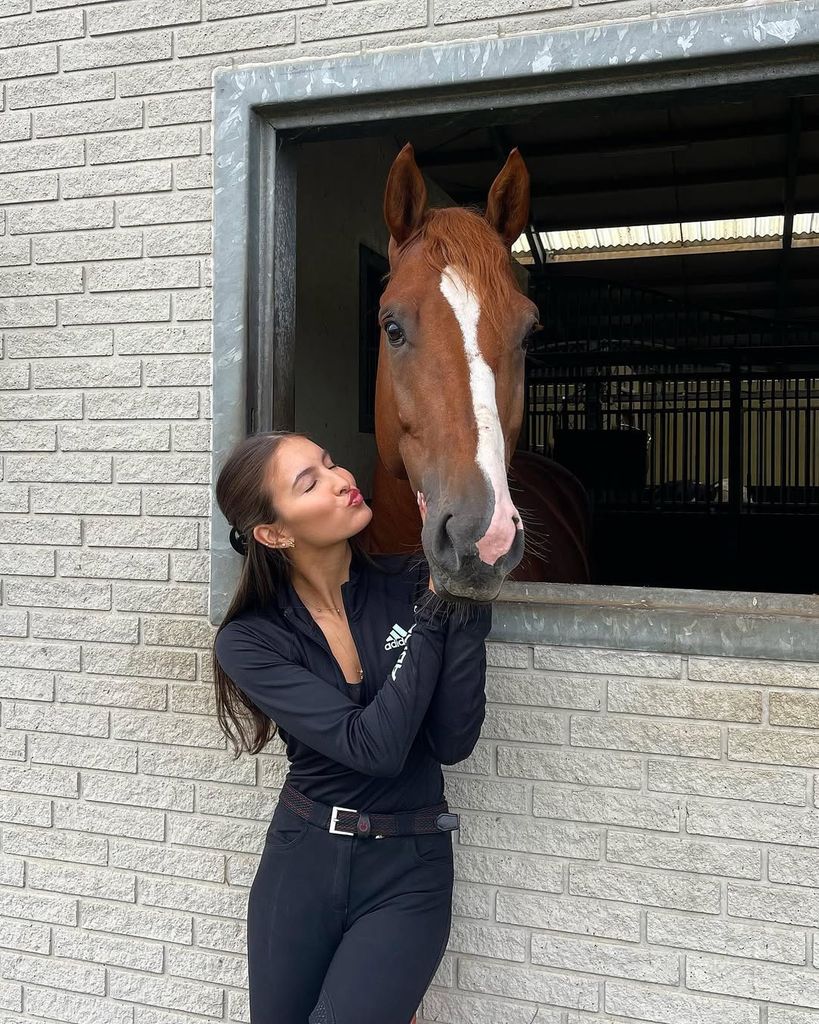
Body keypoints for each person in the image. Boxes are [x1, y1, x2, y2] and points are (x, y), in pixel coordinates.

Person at [212, 430, 493, 1024]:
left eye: (330, 461)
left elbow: (452, 739)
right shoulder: (252, 641)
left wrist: (464, 590)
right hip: (301, 866)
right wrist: (437, 610)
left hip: (409, 869)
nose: (342, 479)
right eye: (309, 481)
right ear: (274, 533)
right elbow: (374, 746)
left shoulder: (412, 583)